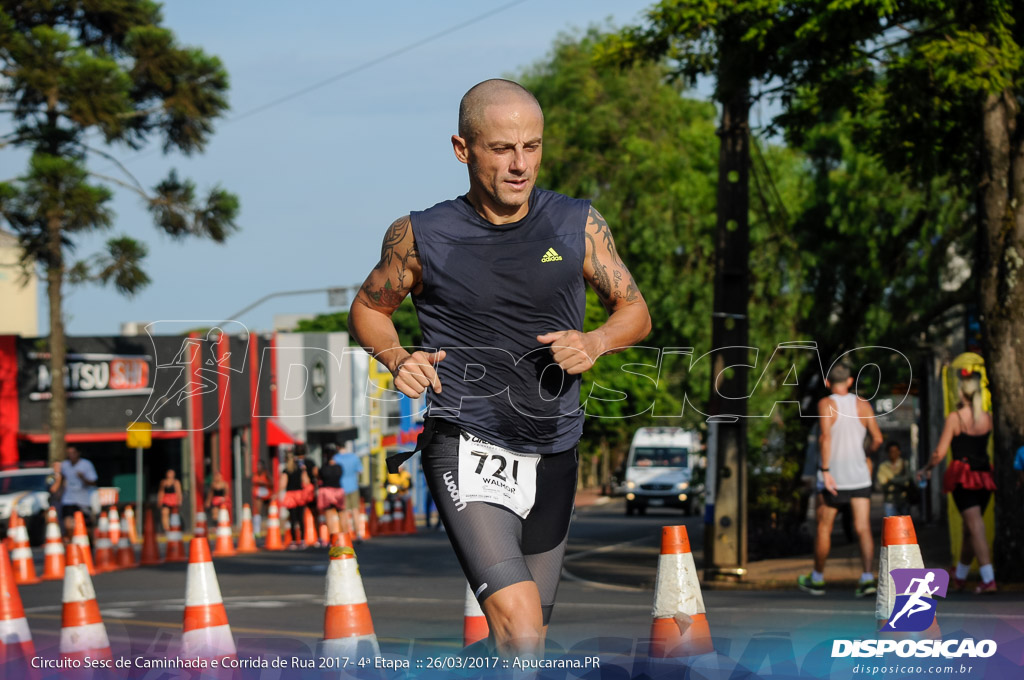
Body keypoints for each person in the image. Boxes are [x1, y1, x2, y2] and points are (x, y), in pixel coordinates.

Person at [348, 79, 651, 657]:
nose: (520, 165)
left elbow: (634, 310)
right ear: (463, 149)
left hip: (555, 446)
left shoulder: (577, 223)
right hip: (467, 439)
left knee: (520, 640)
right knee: (522, 626)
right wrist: (396, 357)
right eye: (502, 149)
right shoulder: (421, 236)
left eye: (532, 147)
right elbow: (369, 308)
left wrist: (598, 341)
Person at [798, 363, 883, 597]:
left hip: (833, 478)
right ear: (850, 381)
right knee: (863, 528)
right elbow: (877, 438)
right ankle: (867, 578)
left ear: (827, 383)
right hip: (859, 477)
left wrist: (825, 470)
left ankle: (817, 578)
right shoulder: (863, 405)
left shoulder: (826, 404)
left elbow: (825, 438)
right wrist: (865, 455)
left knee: (824, 527)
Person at [917, 370, 997, 594]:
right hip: (984, 477)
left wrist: (926, 469)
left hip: (964, 478)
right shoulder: (987, 418)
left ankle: (988, 578)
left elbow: (939, 453)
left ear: (962, 392)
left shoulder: (955, 417)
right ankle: (960, 575)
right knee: (969, 529)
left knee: (975, 526)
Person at [59, 446, 97, 540]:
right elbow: (62, 480)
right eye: (69, 453)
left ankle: (89, 544)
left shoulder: (86, 464)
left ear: (78, 453)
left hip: (83, 500)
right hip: (68, 499)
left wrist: (82, 478)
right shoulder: (64, 465)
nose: (71, 455)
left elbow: (93, 482)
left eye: (73, 453)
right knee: (68, 524)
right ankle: (73, 543)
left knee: (86, 526)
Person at [278, 451, 311, 545]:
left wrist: (277, 493)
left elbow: (283, 484)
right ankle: (302, 540)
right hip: (300, 494)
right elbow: (306, 481)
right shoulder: (300, 469)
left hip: (291, 495)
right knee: (301, 518)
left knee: (293, 518)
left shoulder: (286, 471)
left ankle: (293, 540)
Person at [332, 443, 363, 540]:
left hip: (341, 487)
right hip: (353, 486)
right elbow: (360, 470)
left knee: (343, 512)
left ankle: (346, 535)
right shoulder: (354, 457)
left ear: (337, 447)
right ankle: (358, 534)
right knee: (355, 510)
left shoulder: (335, 458)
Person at [876, 441, 912, 517]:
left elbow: (907, 481)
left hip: (904, 499)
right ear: (887, 453)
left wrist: (891, 480)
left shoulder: (904, 464)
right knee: (891, 524)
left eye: (895, 451)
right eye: (891, 451)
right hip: (889, 500)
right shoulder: (883, 466)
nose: (893, 453)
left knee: (904, 525)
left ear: (899, 452)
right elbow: (883, 483)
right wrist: (900, 481)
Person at [317, 448, 345, 536]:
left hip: (326, 492)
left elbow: (320, 478)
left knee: (329, 515)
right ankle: (345, 535)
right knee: (341, 514)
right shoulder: (339, 467)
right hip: (338, 491)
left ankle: (332, 536)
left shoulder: (323, 468)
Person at [251, 460, 272, 537]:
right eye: (257, 466)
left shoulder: (266, 474)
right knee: (257, 512)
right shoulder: (255, 475)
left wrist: (264, 483)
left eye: (259, 465)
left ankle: (270, 529)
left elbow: (272, 483)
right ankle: (257, 531)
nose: (258, 467)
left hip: (267, 494)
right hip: (259, 495)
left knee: (268, 512)